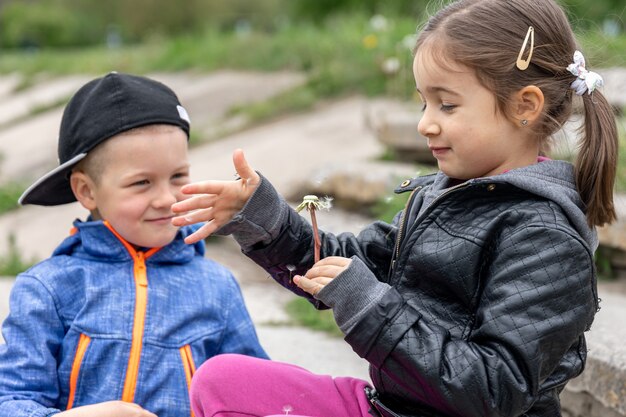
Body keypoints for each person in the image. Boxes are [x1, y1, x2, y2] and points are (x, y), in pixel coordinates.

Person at [171, 0, 619, 416]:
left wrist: (369, 306)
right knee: (222, 380)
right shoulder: (444, 196)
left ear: (524, 106)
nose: (425, 122)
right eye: (422, 102)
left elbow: (494, 390)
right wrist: (261, 215)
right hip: (392, 405)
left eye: (446, 104)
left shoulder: (545, 237)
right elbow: (347, 264)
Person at [0, 72, 268, 417]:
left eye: (178, 177)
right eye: (141, 183)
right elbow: (11, 400)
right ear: (87, 191)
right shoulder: (46, 290)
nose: (166, 198)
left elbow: (255, 396)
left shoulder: (217, 288)